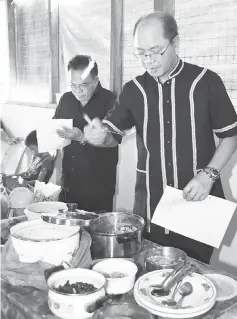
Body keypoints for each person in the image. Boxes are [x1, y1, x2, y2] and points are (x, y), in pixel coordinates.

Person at [83, 12, 237, 263]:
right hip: (151, 203)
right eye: (141, 53)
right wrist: (97, 136)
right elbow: (112, 136)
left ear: (175, 44)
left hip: (199, 198)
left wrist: (208, 175)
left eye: (156, 51)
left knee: (193, 273)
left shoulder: (205, 82)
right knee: (151, 270)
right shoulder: (134, 90)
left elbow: (231, 136)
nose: (149, 61)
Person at [53, 55, 119, 212]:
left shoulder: (111, 101)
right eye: (73, 85)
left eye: (83, 85)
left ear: (96, 81)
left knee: (96, 231)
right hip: (69, 182)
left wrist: (82, 137)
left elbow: (114, 140)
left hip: (98, 187)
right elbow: (55, 129)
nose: (78, 91)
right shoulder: (66, 99)